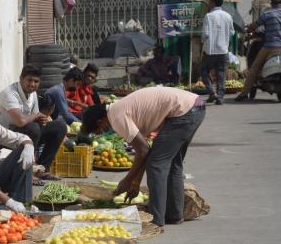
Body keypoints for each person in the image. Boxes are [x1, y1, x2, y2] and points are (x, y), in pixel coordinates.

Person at [81, 87, 205, 228]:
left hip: (183, 112)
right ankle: (174, 215)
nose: (102, 133)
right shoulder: (118, 109)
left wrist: (127, 180)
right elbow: (143, 152)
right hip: (195, 107)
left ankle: (156, 218)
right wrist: (135, 183)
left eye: (99, 131)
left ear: (99, 121)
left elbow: (144, 150)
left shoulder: (116, 117)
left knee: (156, 165)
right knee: (172, 163)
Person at [0, 65, 66, 185]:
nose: (32, 84)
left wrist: (42, 120)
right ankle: (29, 172)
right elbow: (21, 121)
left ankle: (42, 168)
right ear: (21, 79)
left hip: (24, 135)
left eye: (36, 81)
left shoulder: (32, 94)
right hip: (5, 139)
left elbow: (36, 118)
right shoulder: (10, 93)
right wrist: (36, 117)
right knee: (33, 128)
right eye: (29, 80)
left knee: (59, 127)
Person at [235, 0, 281, 101]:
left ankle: (244, 93)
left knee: (253, 68)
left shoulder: (267, 14)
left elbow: (254, 26)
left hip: (271, 47)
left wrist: (249, 30)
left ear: (272, 3)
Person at [201, 0, 235, 105]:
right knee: (221, 74)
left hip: (210, 51)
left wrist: (202, 42)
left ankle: (212, 93)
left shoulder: (208, 16)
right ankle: (220, 97)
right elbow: (232, 32)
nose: (209, 3)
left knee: (204, 71)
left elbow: (205, 35)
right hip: (223, 50)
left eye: (210, 1)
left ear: (214, 3)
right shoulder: (228, 16)